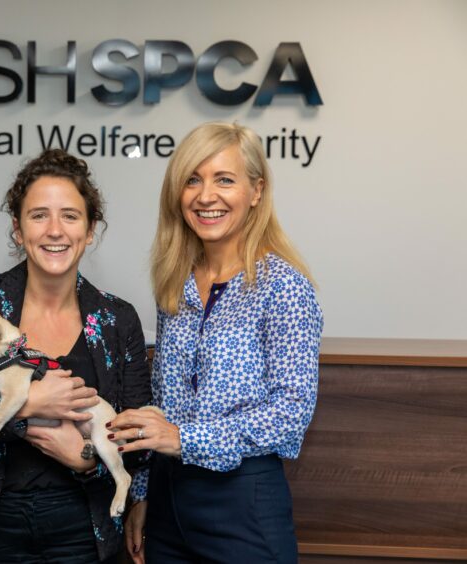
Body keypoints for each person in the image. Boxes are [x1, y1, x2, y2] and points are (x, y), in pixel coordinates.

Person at [0, 149, 152, 563]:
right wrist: (26, 408)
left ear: (91, 228)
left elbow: (137, 441)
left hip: (83, 531)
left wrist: (86, 462)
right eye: (39, 215)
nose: (55, 230)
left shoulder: (117, 319)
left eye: (71, 216)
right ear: (18, 229)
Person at [108, 122, 323, 563]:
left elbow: (291, 413)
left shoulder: (284, 287)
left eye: (224, 179)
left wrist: (185, 438)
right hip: (169, 507)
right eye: (192, 180)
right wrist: (143, 493)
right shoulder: (174, 285)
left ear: (256, 191)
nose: (206, 196)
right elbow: (162, 403)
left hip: (243, 504)